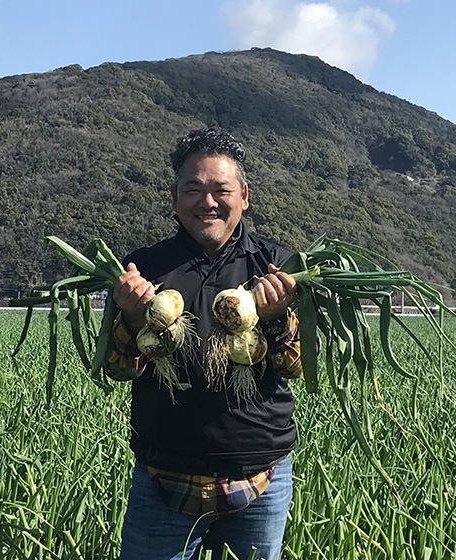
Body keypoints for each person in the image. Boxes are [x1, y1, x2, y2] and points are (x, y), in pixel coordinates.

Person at [109, 128, 303, 560]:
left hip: (261, 477)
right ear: (175, 194)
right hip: (165, 477)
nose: (208, 202)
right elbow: (118, 369)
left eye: (221, 190)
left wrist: (272, 322)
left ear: (245, 195)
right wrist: (132, 316)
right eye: (194, 189)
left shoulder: (278, 268)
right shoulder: (141, 271)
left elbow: (297, 367)